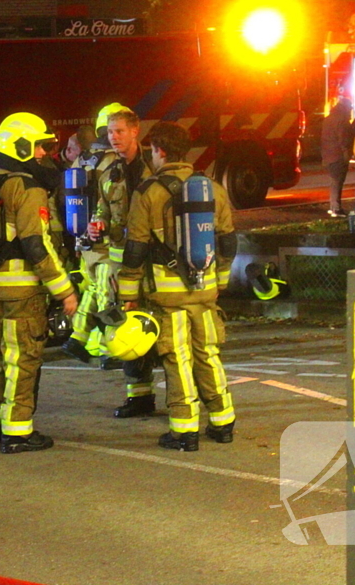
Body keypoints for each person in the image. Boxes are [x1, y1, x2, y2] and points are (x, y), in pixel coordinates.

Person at [118, 121, 237, 451]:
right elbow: (228, 242)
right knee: (208, 354)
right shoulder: (213, 187)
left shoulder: (147, 192)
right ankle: (222, 421)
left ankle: (184, 431)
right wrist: (220, 280)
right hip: (206, 291)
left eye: (152, 151)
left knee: (177, 358)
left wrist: (128, 296)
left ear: (159, 150)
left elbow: (135, 249)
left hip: (168, 295)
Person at [0, 112, 78, 454]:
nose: (44, 154)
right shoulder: (27, 187)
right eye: (38, 147)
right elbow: (37, 245)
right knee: (24, 359)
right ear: (20, 147)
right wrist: (64, 289)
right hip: (21, 289)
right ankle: (17, 432)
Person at [64, 108, 151, 372]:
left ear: (135, 131)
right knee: (121, 316)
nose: (114, 137)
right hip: (118, 257)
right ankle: (138, 394)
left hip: (149, 259)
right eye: (111, 132)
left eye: (120, 131)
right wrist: (96, 224)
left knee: (146, 323)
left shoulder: (153, 168)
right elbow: (102, 207)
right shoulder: (110, 172)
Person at [320, 97, 353, 217]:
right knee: (337, 182)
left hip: (328, 155)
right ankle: (336, 209)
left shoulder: (329, 118)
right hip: (337, 156)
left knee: (334, 182)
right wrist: (346, 153)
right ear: (345, 108)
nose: (350, 110)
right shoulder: (341, 120)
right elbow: (343, 138)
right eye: (349, 108)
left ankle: (333, 207)